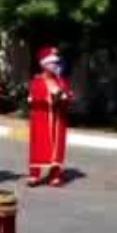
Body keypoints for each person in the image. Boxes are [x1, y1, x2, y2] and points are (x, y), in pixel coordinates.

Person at [28, 46, 74, 187]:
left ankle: (56, 175)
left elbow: (69, 95)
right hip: (42, 118)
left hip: (58, 119)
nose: (54, 65)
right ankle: (34, 175)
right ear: (44, 64)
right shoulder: (37, 81)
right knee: (39, 145)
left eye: (55, 63)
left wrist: (65, 97)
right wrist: (50, 96)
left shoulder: (61, 81)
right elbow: (33, 98)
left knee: (57, 147)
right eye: (51, 63)